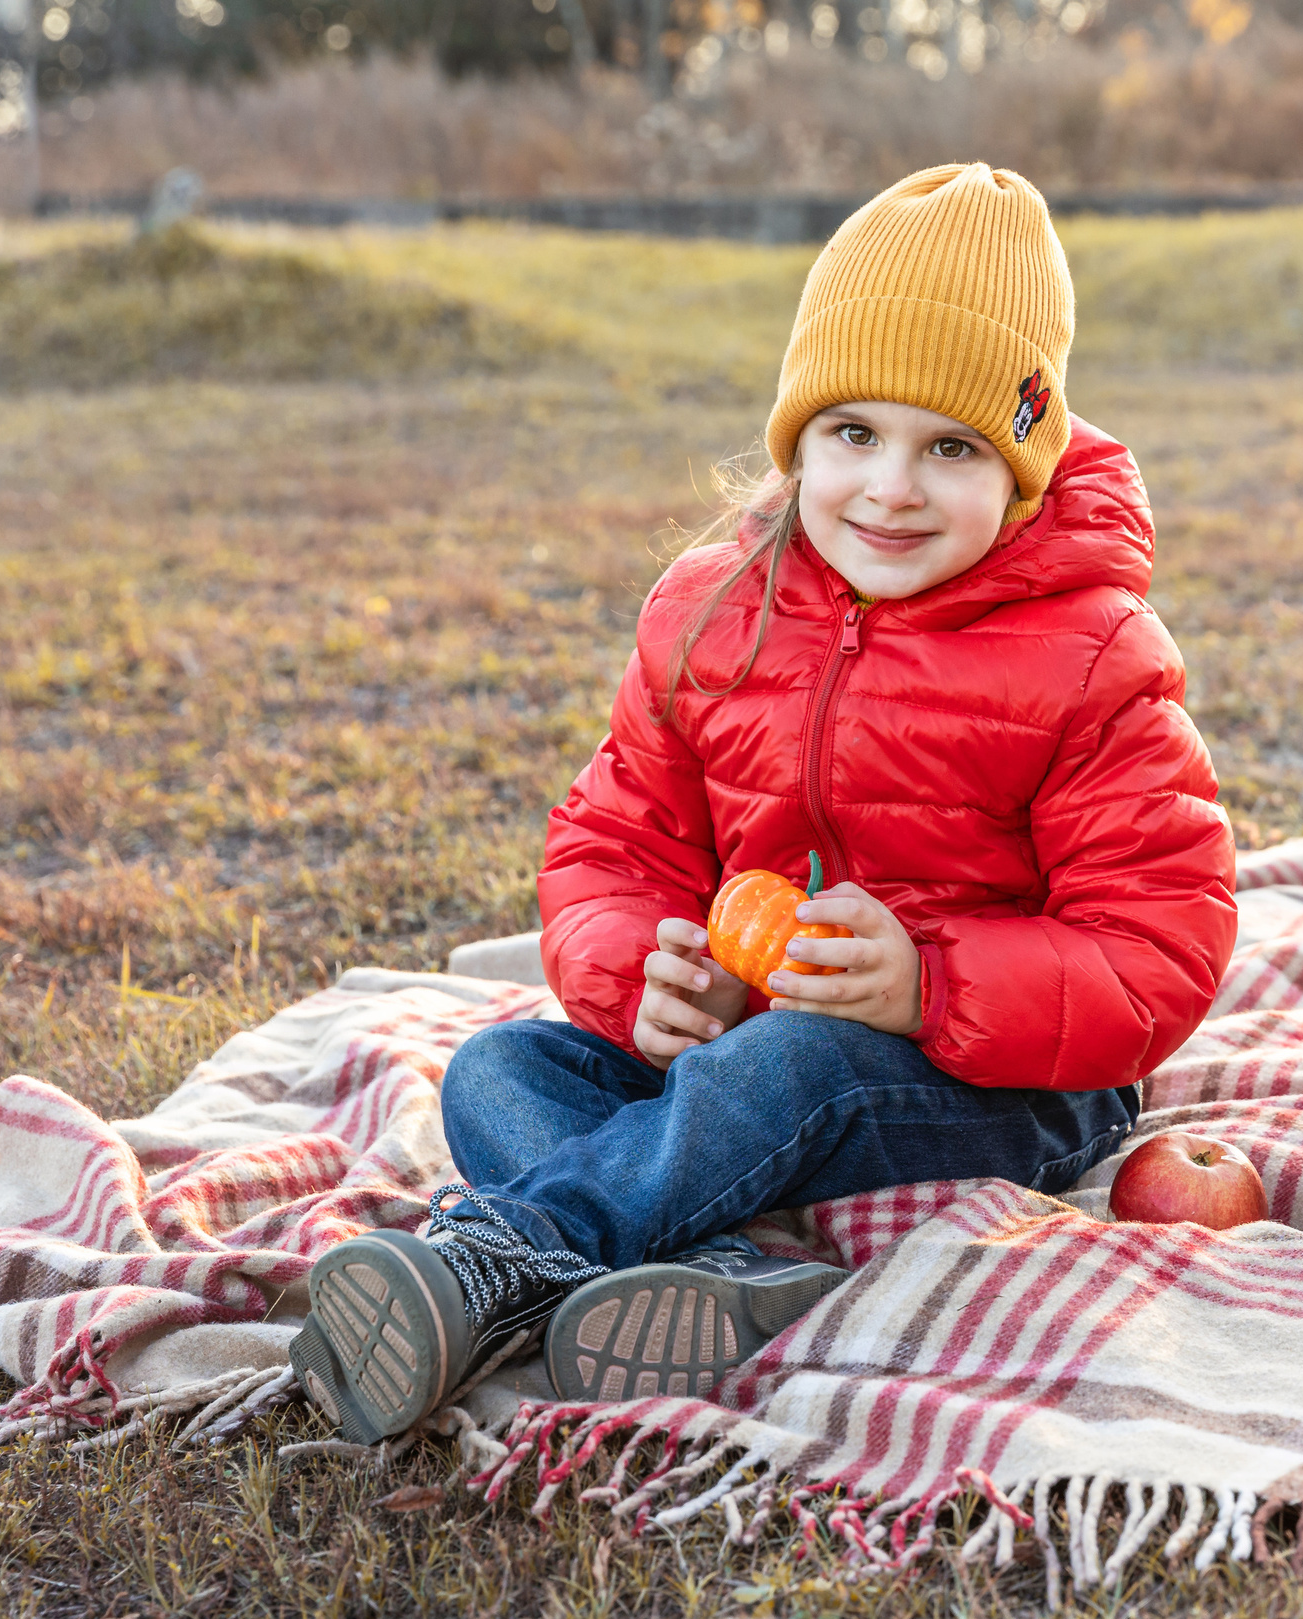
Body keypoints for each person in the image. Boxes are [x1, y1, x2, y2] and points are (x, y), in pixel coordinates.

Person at [289, 163, 1240, 1446]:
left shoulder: (1088, 654)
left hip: (1010, 1083)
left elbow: (1158, 950)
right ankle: (722, 1275)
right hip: (751, 1042)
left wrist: (930, 985)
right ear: (800, 438)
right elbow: (614, 841)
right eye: (853, 435)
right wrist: (647, 980)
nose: (889, 489)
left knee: (792, 1063)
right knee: (499, 1068)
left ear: (1022, 465)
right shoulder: (709, 613)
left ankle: (498, 1258)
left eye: (950, 448)